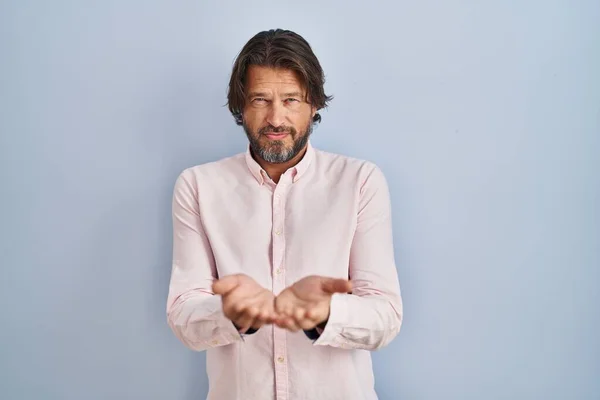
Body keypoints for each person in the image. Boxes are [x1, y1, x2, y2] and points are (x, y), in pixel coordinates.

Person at [166, 28, 403, 400]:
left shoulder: (360, 182)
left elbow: (385, 316)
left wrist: (327, 312)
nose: (276, 119)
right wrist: (231, 313)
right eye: (261, 99)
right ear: (240, 106)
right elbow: (183, 315)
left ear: (314, 105)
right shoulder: (198, 186)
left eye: (291, 100)